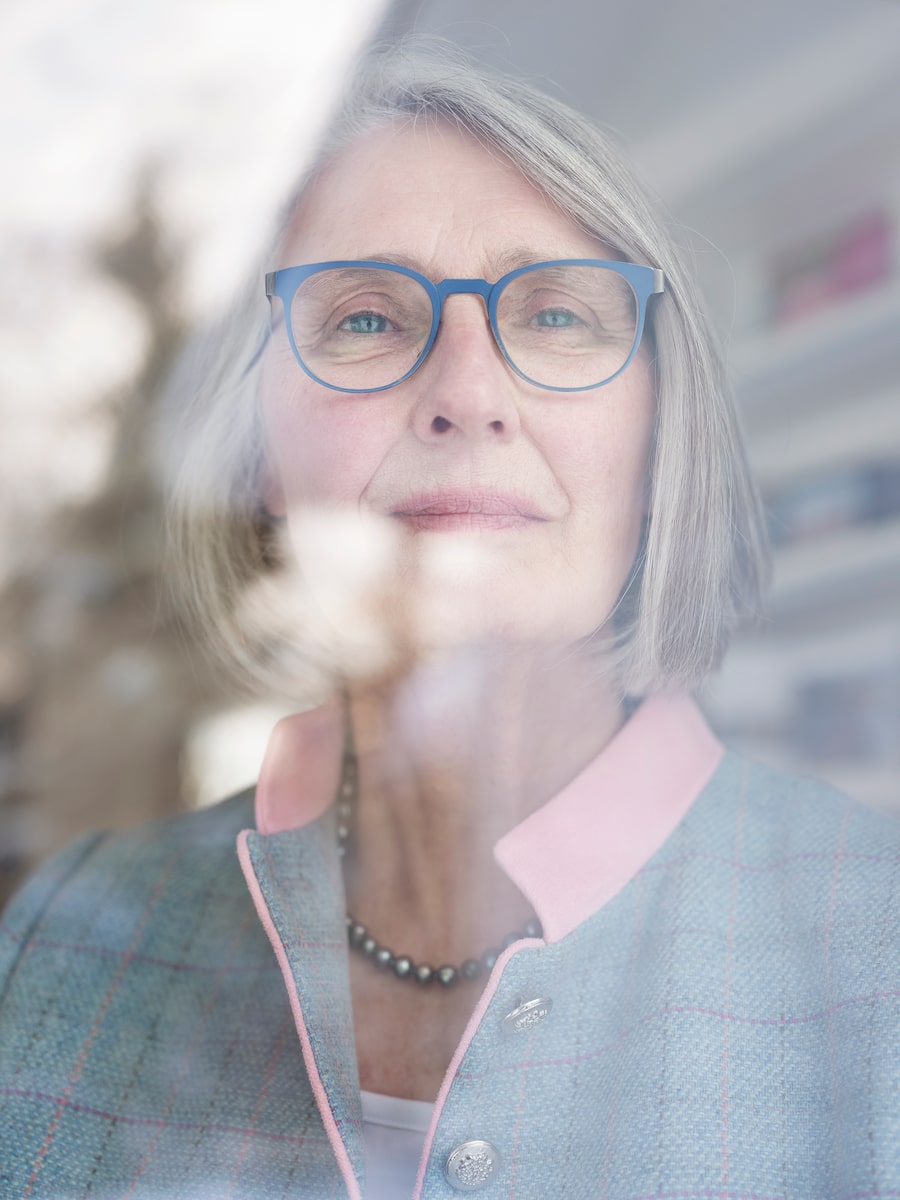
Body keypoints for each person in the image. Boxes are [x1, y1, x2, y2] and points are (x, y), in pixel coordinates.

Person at [1, 45, 898, 1200]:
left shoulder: (877, 941)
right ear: (260, 454)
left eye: (559, 315)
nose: (468, 393)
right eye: (368, 319)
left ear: (658, 437)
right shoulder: (64, 932)